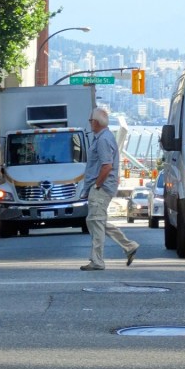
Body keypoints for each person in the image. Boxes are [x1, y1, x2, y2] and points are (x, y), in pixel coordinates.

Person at [81, 107, 139, 271]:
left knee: (96, 221)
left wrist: (97, 185)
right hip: (102, 186)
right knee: (96, 221)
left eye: (91, 120)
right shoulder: (103, 137)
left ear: (96, 122)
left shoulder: (103, 140)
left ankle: (97, 260)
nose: (90, 123)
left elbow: (106, 166)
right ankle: (129, 246)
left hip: (102, 187)